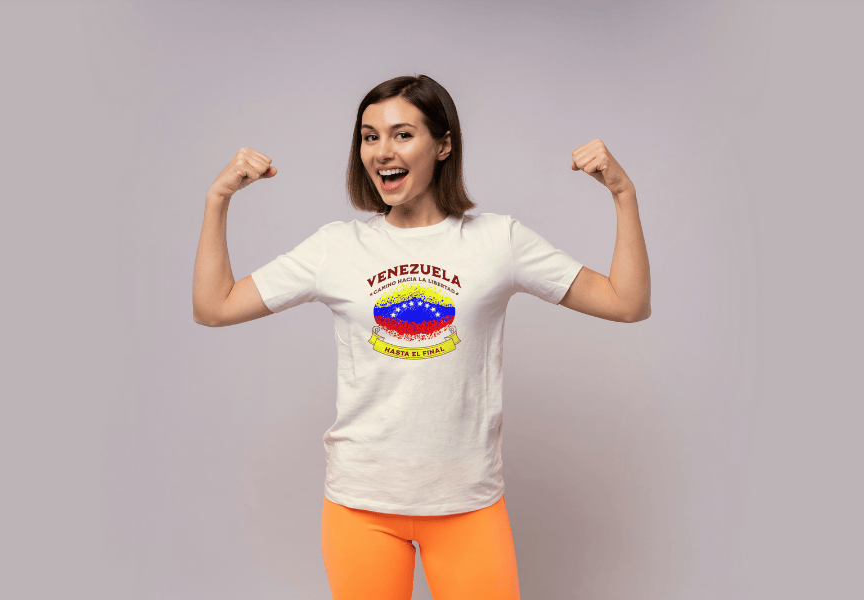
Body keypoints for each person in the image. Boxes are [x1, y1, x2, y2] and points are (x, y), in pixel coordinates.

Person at [192, 74, 651, 600]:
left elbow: (627, 302)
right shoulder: (336, 248)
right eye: (369, 136)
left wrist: (623, 194)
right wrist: (217, 199)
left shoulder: (497, 240)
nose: (382, 151)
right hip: (361, 504)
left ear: (444, 143)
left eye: (402, 134)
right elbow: (214, 306)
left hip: (467, 503)